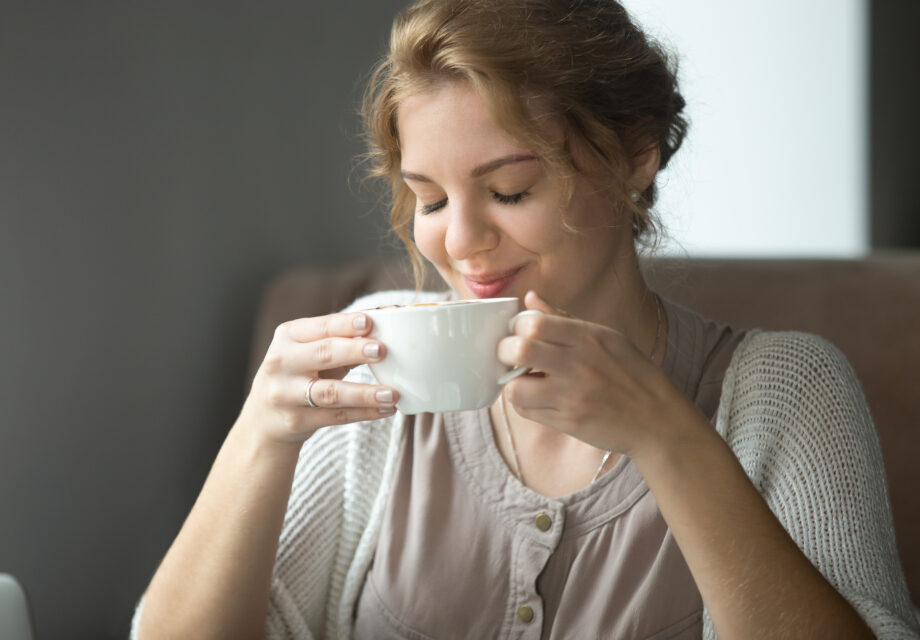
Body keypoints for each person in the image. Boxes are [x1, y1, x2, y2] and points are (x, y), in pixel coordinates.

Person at [132, 1, 919, 638]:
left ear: (636, 154)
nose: (460, 240)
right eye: (430, 200)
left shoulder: (785, 388)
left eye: (508, 190)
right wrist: (260, 439)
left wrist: (667, 437)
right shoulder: (374, 364)